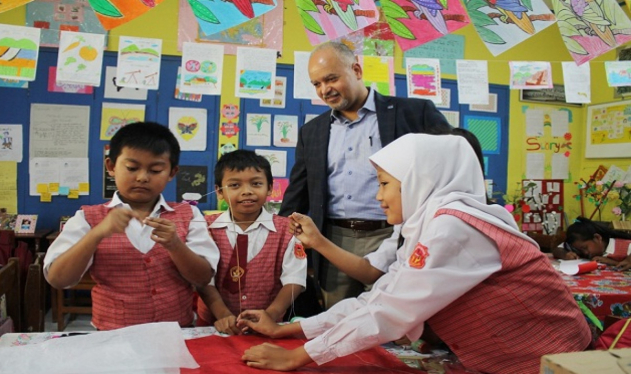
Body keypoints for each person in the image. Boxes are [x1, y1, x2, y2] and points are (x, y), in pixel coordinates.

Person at [238, 134, 590, 374]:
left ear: (420, 179)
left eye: (385, 183)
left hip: (549, 363)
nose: (378, 196)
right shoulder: (432, 223)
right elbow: (380, 297)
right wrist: (290, 331)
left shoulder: (453, 226)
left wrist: (298, 356)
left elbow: (392, 311)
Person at [280, 41, 452, 309]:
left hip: (396, 236)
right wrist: (281, 240)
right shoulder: (311, 131)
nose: (325, 89)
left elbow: (451, 164)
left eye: (331, 78)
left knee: (397, 316)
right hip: (333, 239)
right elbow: (298, 191)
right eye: (316, 84)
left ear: (357, 70)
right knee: (336, 322)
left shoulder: (415, 113)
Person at [44, 122, 220, 331]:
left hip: (175, 331)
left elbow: (202, 277)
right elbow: (58, 279)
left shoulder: (188, 214)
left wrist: (175, 245)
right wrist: (97, 233)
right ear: (111, 166)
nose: (142, 177)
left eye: (155, 170)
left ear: (172, 172)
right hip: (113, 334)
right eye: (132, 168)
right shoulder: (87, 218)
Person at [196, 150, 307, 335]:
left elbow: (294, 279)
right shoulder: (204, 228)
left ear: (270, 188)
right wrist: (222, 314)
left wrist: (271, 314)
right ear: (219, 191)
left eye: (256, 184)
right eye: (234, 185)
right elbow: (202, 279)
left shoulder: (288, 229)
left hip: (268, 326)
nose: (247, 191)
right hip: (213, 325)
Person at [555, 216, 631, 270]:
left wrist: (613, 262)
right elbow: (558, 249)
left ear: (597, 238)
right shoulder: (582, 250)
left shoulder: (624, 246)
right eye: (580, 250)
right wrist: (565, 255)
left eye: (585, 248)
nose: (585, 253)